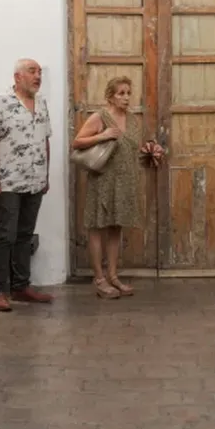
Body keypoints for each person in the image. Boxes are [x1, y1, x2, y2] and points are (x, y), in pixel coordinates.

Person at [71, 76, 163, 298]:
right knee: (97, 228)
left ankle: (113, 276)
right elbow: (76, 143)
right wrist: (102, 135)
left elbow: (131, 148)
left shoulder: (132, 120)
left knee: (116, 228)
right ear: (110, 96)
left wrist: (149, 150)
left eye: (128, 93)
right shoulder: (99, 117)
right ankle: (99, 279)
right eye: (121, 93)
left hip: (125, 181)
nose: (126, 97)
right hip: (102, 180)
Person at [0, 58, 54, 312]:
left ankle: (21, 286)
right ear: (17, 77)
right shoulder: (1, 103)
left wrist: (45, 174)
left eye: (39, 72)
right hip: (9, 181)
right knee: (6, 236)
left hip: (35, 180)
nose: (37, 76)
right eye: (32, 72)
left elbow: (45, 139)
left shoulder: (42, 102)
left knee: (25, 235)